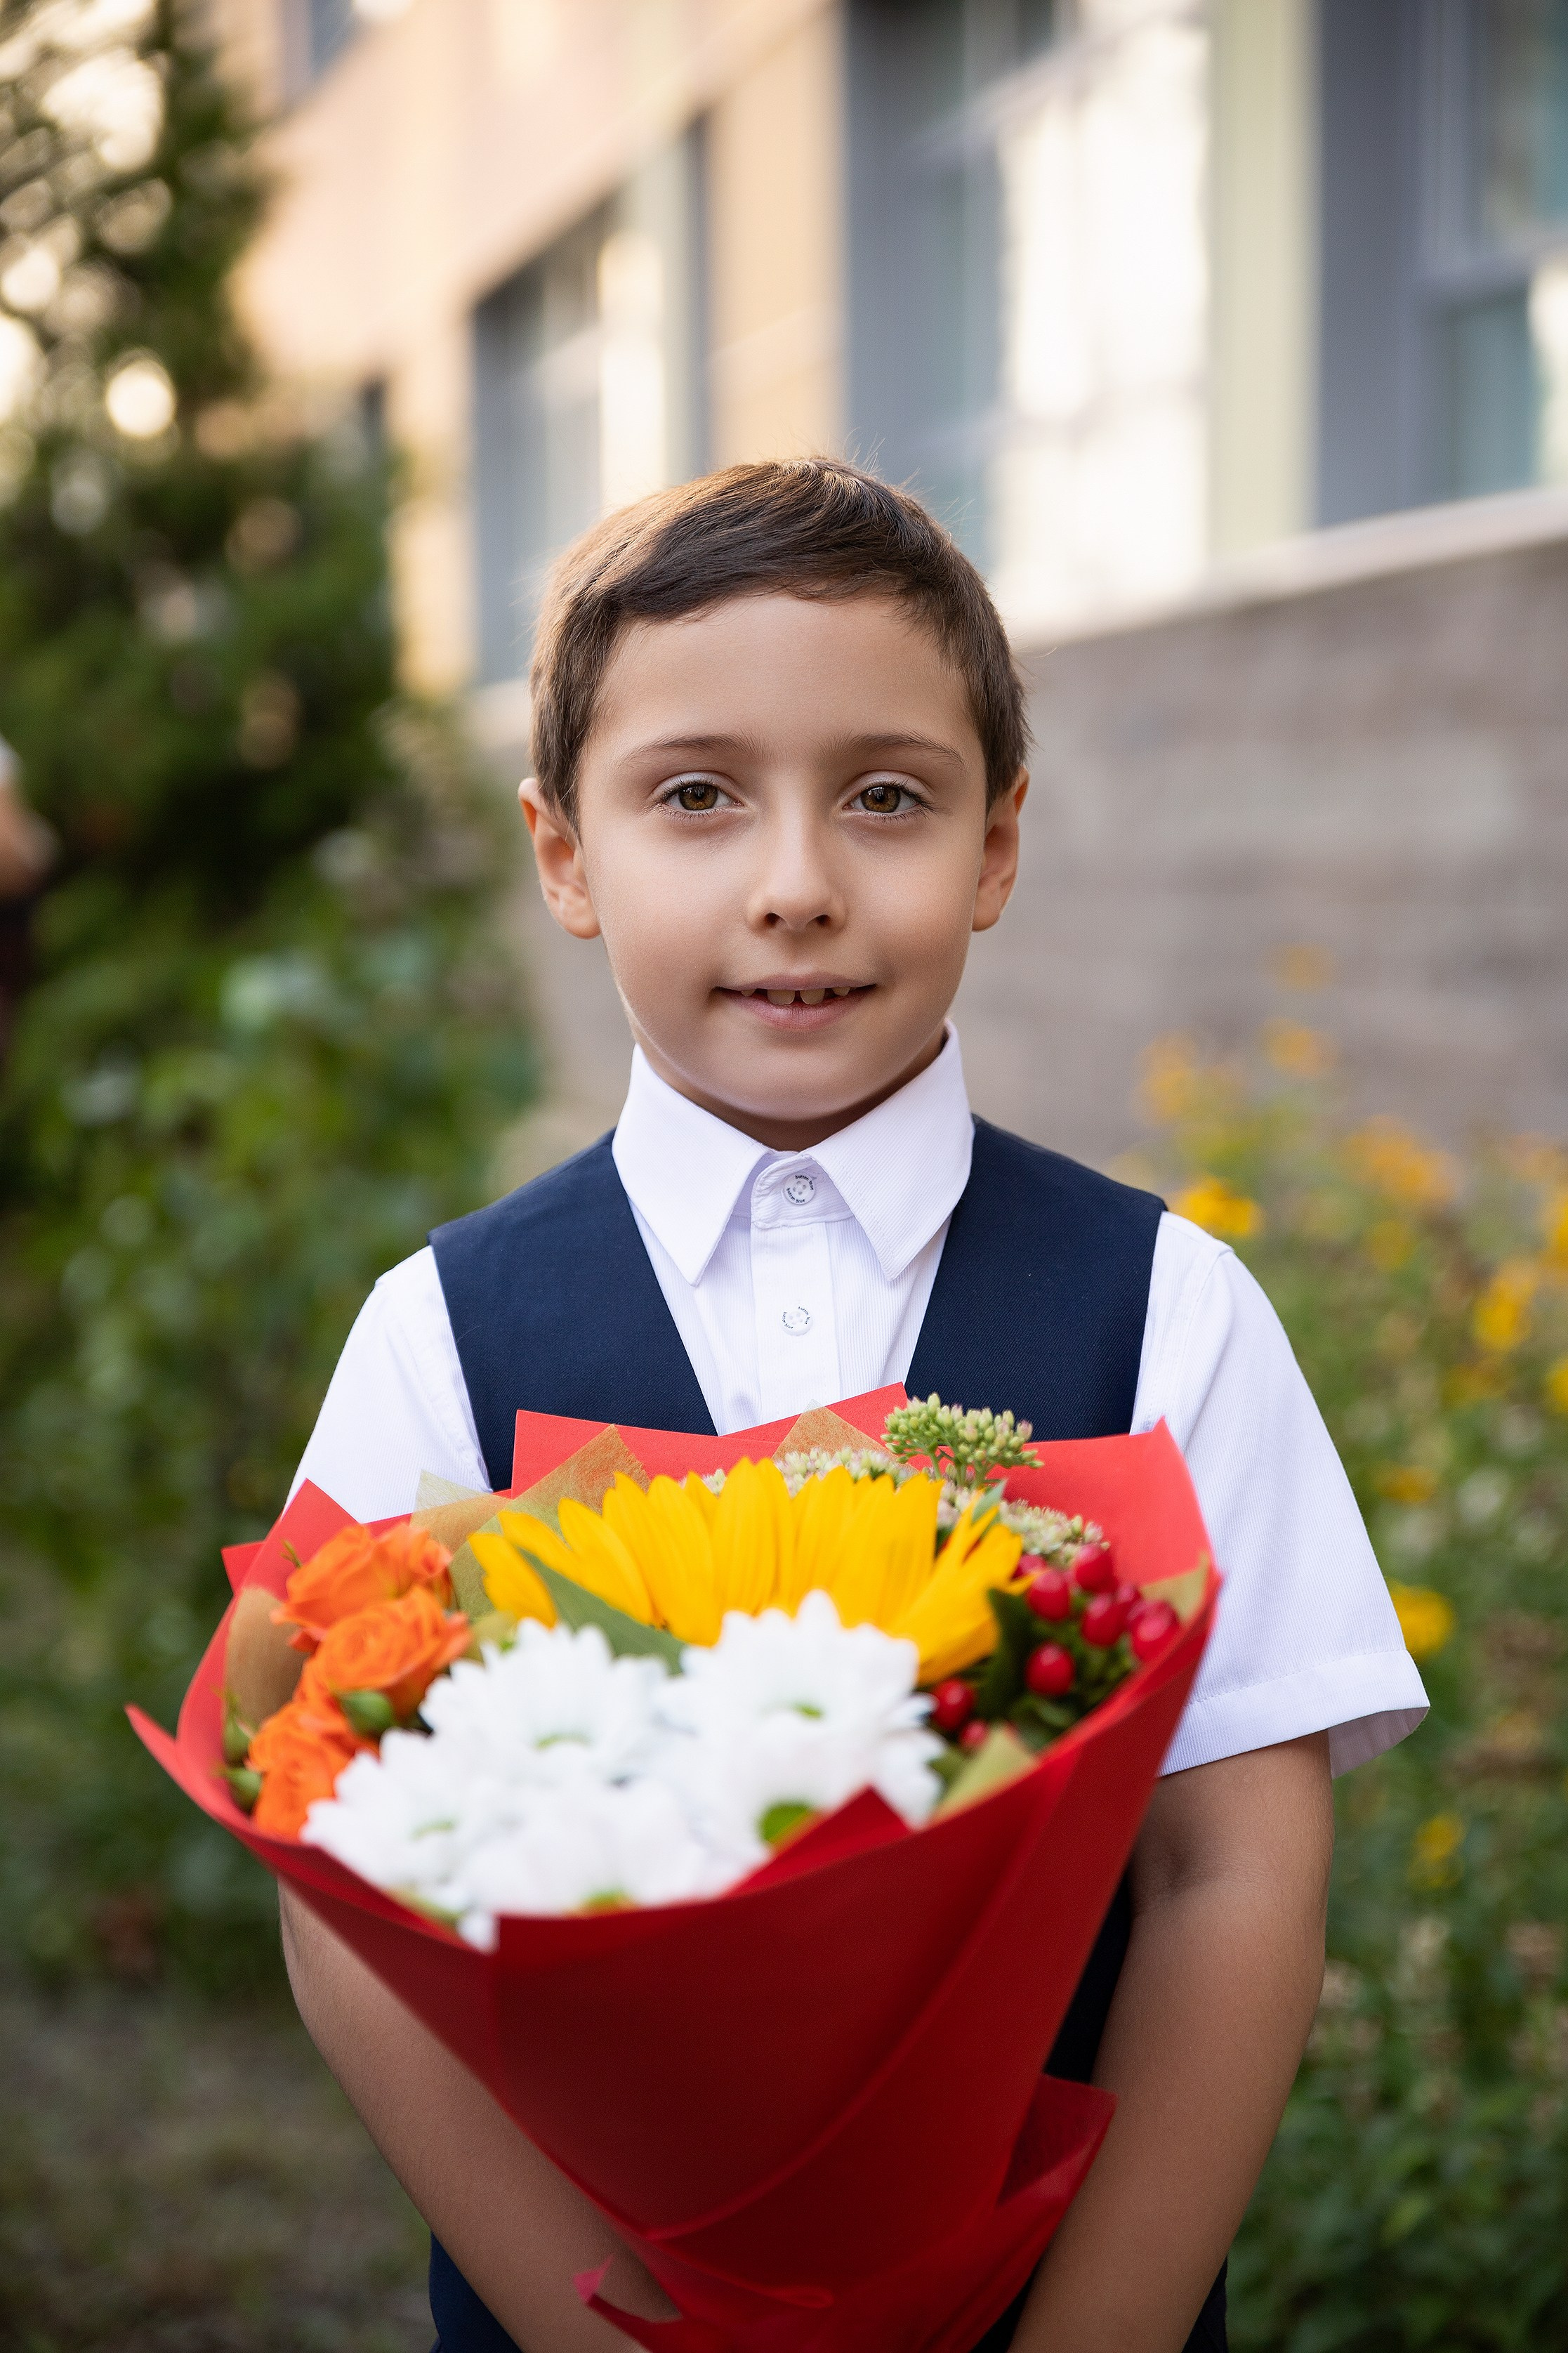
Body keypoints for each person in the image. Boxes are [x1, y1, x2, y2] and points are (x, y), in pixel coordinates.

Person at [280, 459, 1427, 2353]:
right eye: (696, 796)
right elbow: (339, 1896)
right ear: (565, 856)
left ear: (995, 846)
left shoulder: (1169, 1314)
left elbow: (1229, 1873)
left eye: (887, 797)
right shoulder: (444, 1335)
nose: (798, 884)